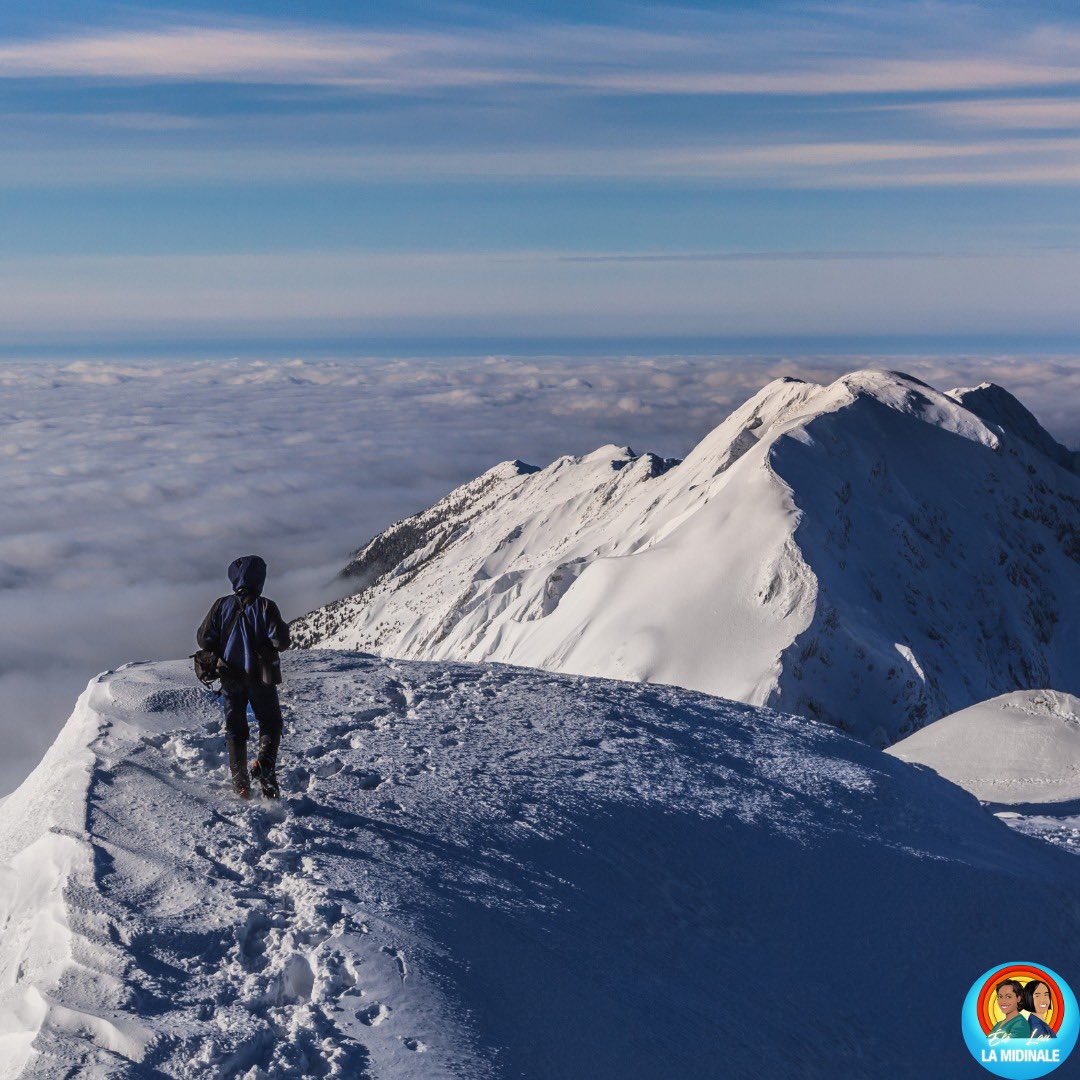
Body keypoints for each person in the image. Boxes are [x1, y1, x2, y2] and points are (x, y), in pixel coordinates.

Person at [197, 555, 291, 799]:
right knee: (270, 722)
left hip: (230, 676)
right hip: (260, 677)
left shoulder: (221, 605)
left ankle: (240, 783)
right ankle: (265, 766)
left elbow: (204, 639)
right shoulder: (266, 606)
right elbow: (281, 641)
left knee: (235, 729)